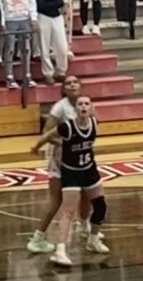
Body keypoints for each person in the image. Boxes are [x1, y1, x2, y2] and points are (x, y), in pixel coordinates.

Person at [29, 94, 109, 267]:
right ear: (76, 109)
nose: (83, 106)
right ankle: (60, 250)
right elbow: (46, 136)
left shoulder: (95, 124)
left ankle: (93, 240)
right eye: (80, 104)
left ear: (91, 108)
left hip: (89, 169)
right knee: (68, 212)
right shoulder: (68, 127)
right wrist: (35, 148)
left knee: (101, 205)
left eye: (87, 103)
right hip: (71, 172)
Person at [0, 0, 37, 90]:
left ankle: (27, 75)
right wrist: (1, 21)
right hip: (9, 18)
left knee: (26, 49)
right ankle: (9, 76)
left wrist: (33, 17)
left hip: (24, 17)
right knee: (10, 49)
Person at [33, 0, 69, 85]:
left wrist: (51, 4)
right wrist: (54, 4)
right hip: (43, 17)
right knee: (45, 47)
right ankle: (48, 73)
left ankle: (61, 71)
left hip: (57, 17)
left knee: (62, 47)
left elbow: (60, 2)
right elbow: (40, 6)